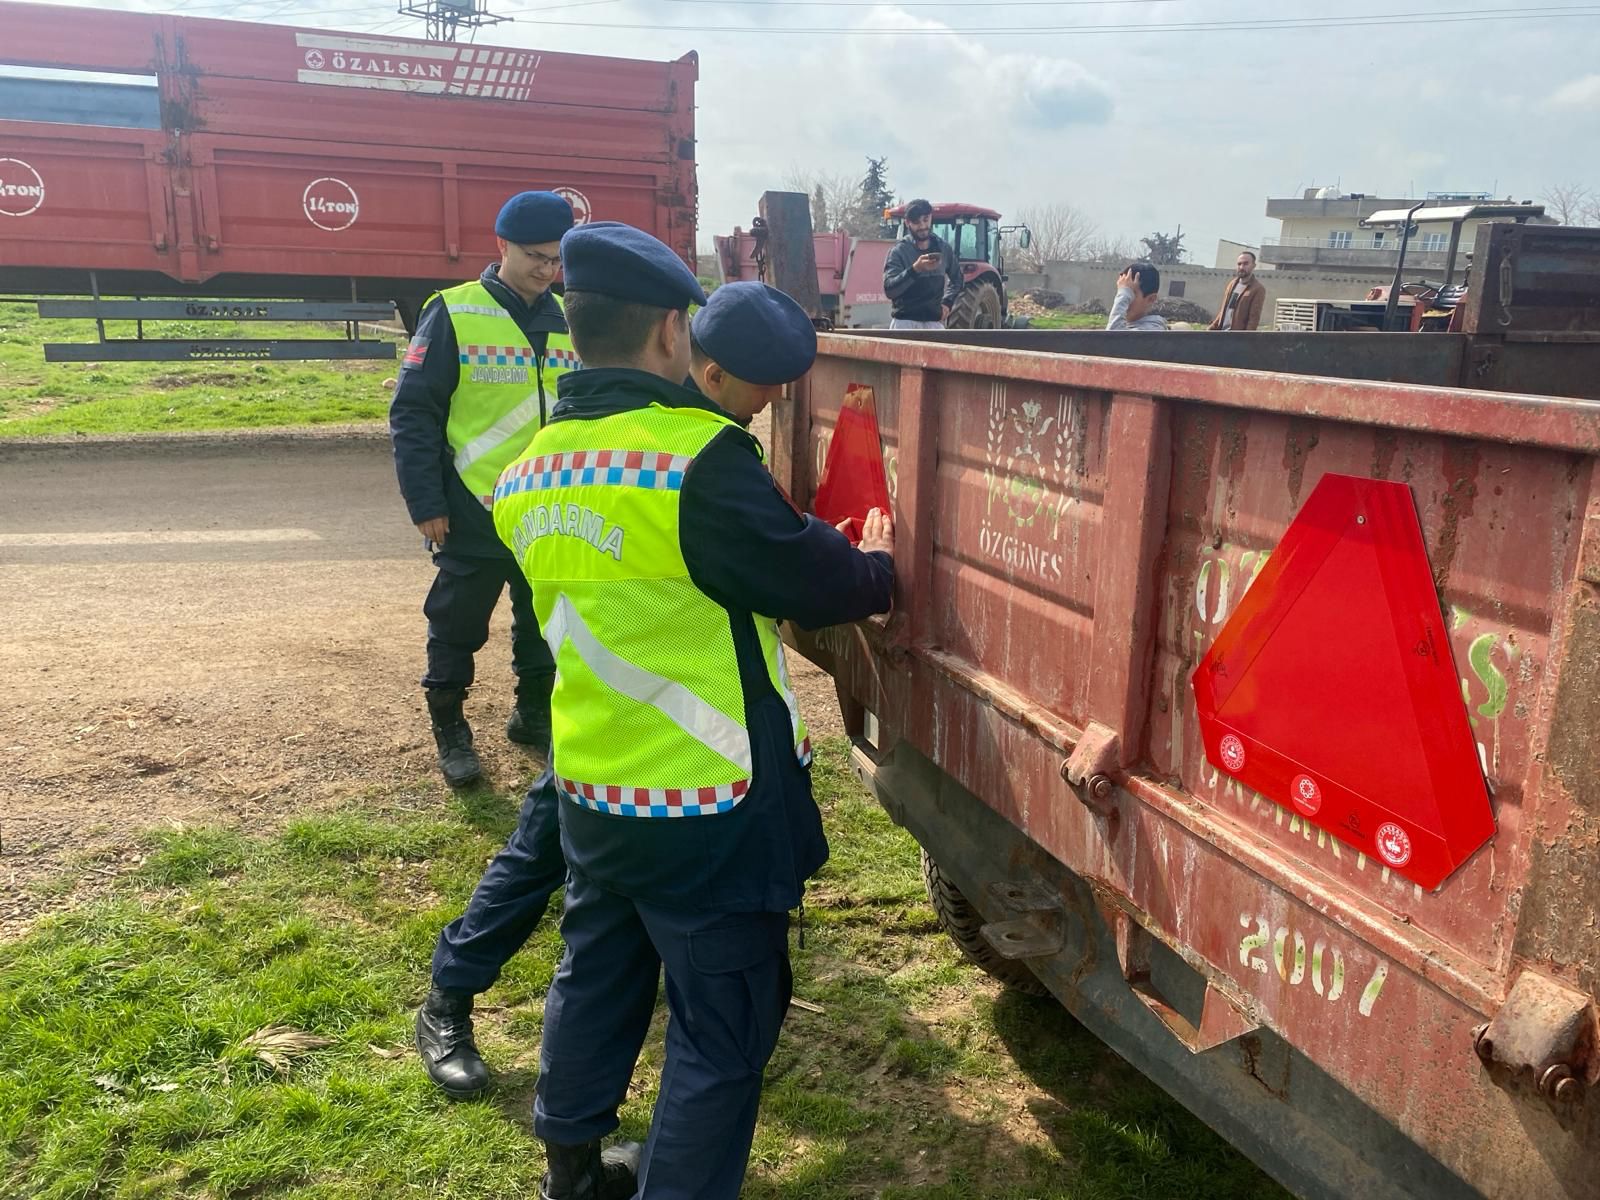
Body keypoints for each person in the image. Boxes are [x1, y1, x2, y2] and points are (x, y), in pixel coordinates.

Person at [493, 224, 895, 1200]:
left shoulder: (530, 468)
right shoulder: (695, 465)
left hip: (592, 790)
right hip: (706, 812)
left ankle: (573, 1173)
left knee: (594, 980)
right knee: (721, 1038)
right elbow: (819, 581)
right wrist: (875, 559)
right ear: (674, 331)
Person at [410, 280, 831, 1104]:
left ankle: (547, 1090)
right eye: (757, 394)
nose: (761, 410)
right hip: (612, 703)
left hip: (623, 704)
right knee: (540, 853)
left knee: (575, 894)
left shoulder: (657, 404)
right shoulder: (664, 431)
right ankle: (448, 997)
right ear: (690, 353)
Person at [389, 190, 580, 789]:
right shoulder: (453, 311)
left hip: (547, 509)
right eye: (535, 257)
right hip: (471, 507)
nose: (547, 271)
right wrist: (426, 503)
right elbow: (414, 413)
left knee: (544, 623)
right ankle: (451, 727)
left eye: (556, 260)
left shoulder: (570, 319)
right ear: (500, 246)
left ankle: (532, 715)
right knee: (457, 624)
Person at [883, 197, 961, 330]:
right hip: (904, 324)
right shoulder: (898, 252)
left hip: (934, 324)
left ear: (931, 217)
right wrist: (914, 269)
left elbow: (958, 279)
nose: (922, 226)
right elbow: (890, 290)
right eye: (917, 222)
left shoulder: (943, 248)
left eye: (925, 220)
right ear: (908, 223)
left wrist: (947, 303)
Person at [1209, 249, 1265, 331]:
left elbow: (1253, 319)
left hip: (1237, 337)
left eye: (1246, 264)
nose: (1241, 267)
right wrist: (1210, 329)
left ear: (1253, 265)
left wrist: (1245, 340)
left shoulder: (1258, 289)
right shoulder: (1232, 284)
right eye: (1239, 264)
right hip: (1221, 333)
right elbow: (1224, 311)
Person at [1106, 261, 1169, 331]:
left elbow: (1112, 338)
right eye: (1121, 293)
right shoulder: (1126, 326)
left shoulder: (1153, 329)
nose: (1125, 299)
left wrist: (1124, 293)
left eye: (1130, 293)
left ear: (1151, 299)